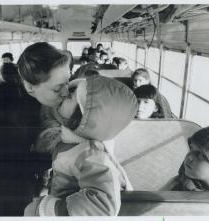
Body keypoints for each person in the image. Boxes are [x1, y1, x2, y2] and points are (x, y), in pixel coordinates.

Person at [0, 42, 71, 216]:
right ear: (29, 86)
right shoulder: (3, 118)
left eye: (67, 82)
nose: (66, 92)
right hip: (1, 197)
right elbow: (10, 167)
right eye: (57, 88)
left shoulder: (25, 95)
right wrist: (63, 155)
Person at [24, 75, 138, 216]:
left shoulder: (91, 155)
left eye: (71, 95)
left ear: (84, 117)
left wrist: (50, 209)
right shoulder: (69, 140)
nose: (64, 93)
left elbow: (102, 206)